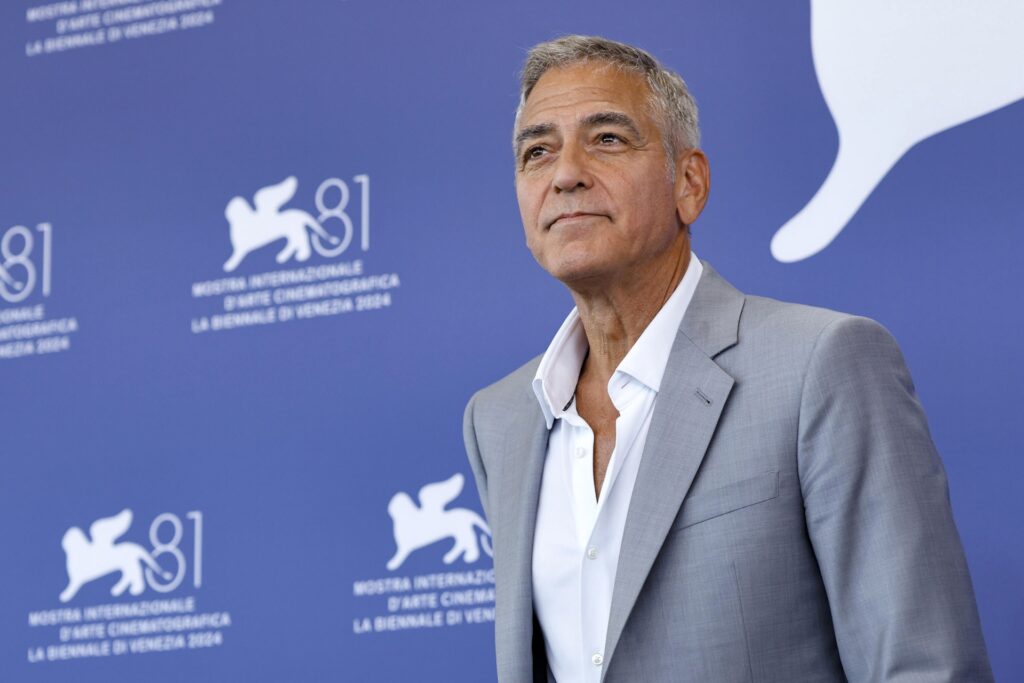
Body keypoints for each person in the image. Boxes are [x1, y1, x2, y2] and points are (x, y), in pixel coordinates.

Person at [462, 35, 993, 683]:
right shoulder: (499, 420)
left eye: (607, 139)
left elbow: (923, 665)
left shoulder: (821, 365)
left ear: (689, 184)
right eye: (537, 151)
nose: (565, 173)